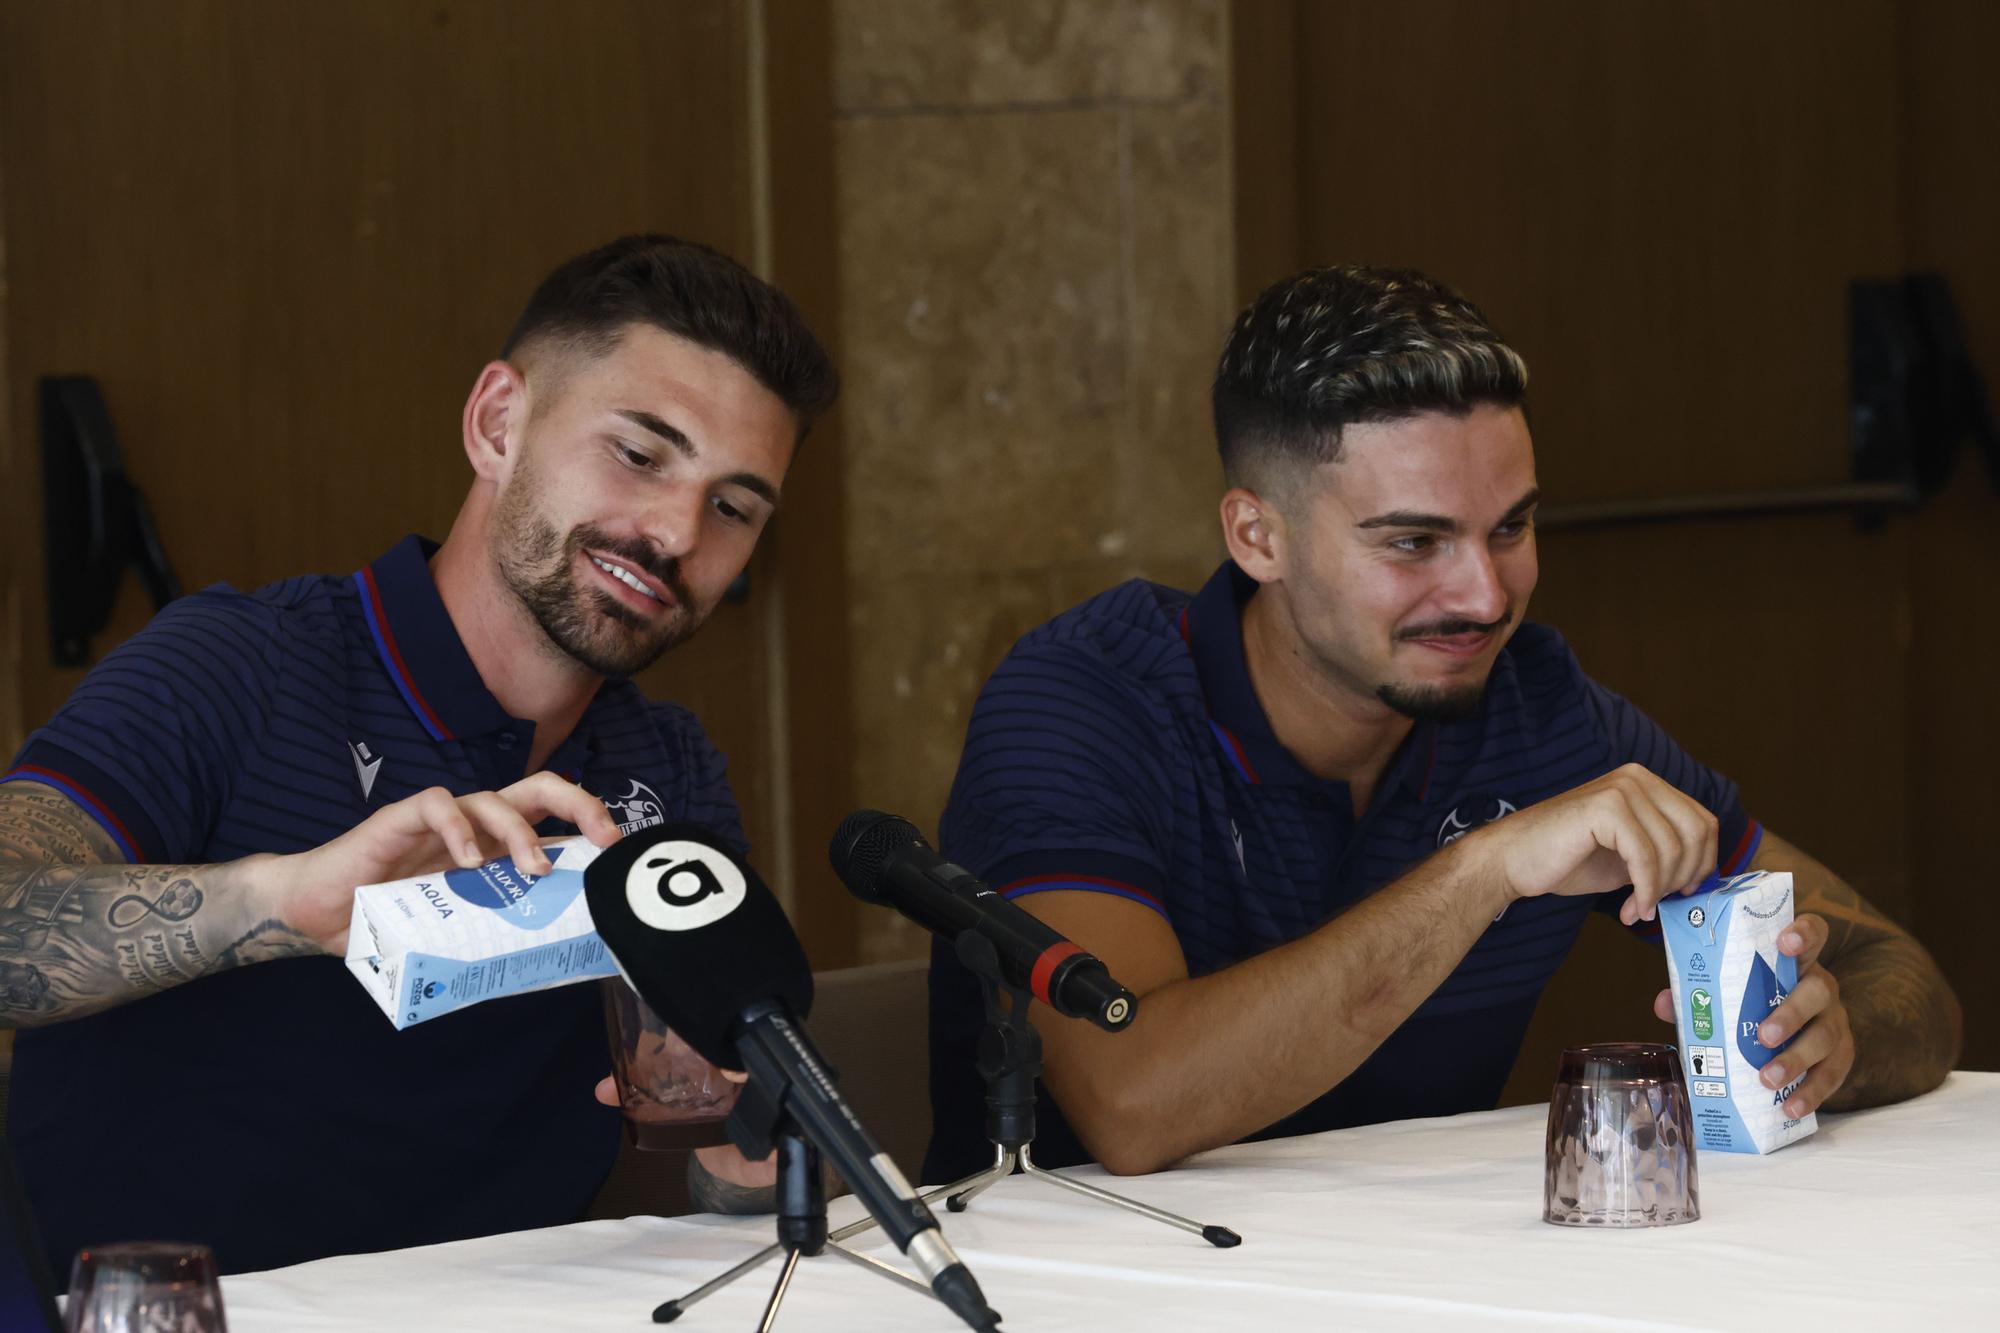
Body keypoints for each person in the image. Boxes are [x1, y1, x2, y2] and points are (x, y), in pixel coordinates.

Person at [925, 264, 1963, 1182]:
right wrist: (1486, 869)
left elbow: (1899, 976)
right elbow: (1131, 1100)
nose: (1483, 594)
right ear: (1255, 536)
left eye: (1509, 526)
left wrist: (1830, 1040)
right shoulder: (1080, 703)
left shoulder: (1539, 709)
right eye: (1412, 541)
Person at [0, 234, 834, 1272]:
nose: (675, 530)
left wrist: (732, 1143)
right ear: (497, 423)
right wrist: (282, 901)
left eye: (733, 506)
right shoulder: (241, 663)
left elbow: (682, 1152)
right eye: (638, 452)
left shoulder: (667, 770)